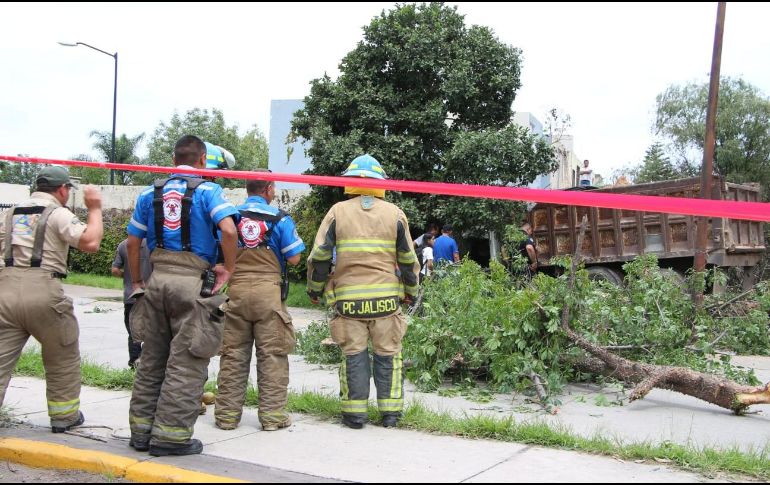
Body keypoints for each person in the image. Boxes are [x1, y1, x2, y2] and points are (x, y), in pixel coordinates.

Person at [126, 135, 238, 457]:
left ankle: (141, 433)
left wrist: (138, 282)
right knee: (186, 362)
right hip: (191, 283)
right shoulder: (207, 191)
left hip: (157, 281)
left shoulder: (151, 192)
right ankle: (172, 438)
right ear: (203, 159)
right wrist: (227, 269)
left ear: (174, 158)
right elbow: (229, 231)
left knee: (152, 359)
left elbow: (134, 243)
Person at [306, 154, 419, 430]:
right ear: (381, 184)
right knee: (388, 354)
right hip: (386, 303)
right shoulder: (395, 214)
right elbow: (407, 259)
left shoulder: (337, 211)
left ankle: (355, 416)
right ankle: (390, 415)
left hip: (349, 303)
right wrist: (411, 292)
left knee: (353, 355)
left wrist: (315, 289)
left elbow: (320, 256)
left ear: (351, 182)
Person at [0, 167, 103, 433]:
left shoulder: (9, 213)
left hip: (5, 290)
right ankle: (64, 416)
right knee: (62, 354)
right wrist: (94, 208)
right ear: (62, 189)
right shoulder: (57, 213)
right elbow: (90, 242)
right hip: (43, 290)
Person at [215, 174, 305, 432]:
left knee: (233, 356)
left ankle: (227, 417)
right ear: (268, 188)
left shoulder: (230, 217)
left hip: (237, 291)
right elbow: (295, 259)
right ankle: (273, 417)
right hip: (269, 295)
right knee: (273, 356)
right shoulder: (280, 218)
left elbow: (217, 250)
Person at [111, 238, 153, 369]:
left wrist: (128, 276)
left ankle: (134, 361)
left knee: (133, 331)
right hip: (151, 296)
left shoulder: (124, 244)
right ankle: (149, 362)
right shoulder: (154, 244)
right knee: (153, 331)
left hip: (131, 296)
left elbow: (115, 270)